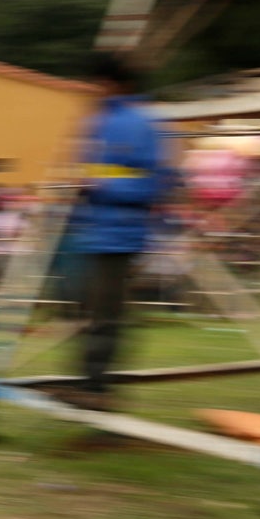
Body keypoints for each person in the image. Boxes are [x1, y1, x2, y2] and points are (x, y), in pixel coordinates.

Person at [60, 53, 174, 409]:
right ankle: (88, 383)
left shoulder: (141, 124)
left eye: (96, 83)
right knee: (83, 309)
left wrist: (98, 185)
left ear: (113, 84)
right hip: (91, 230)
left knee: (105, 315)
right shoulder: (99, 121)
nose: (90, 89)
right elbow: (96, 172)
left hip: (119, 234)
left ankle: (98, 390)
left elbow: (155, 184)